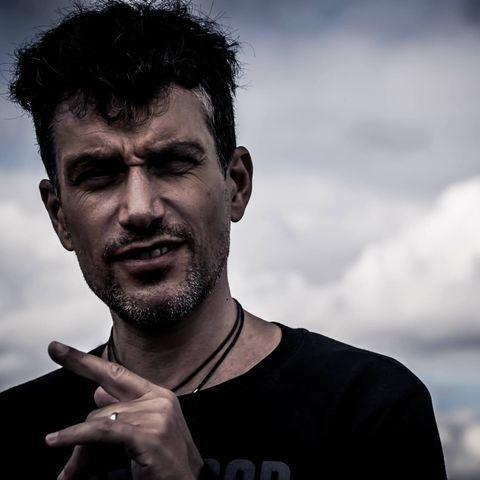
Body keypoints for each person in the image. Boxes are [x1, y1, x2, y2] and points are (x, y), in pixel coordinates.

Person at [0, 1, 447, 479]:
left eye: (173, 163)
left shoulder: (368, 406)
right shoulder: (12, 430)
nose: (140, 209)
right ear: (60, 217)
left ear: (236, 184)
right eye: (98, 175)